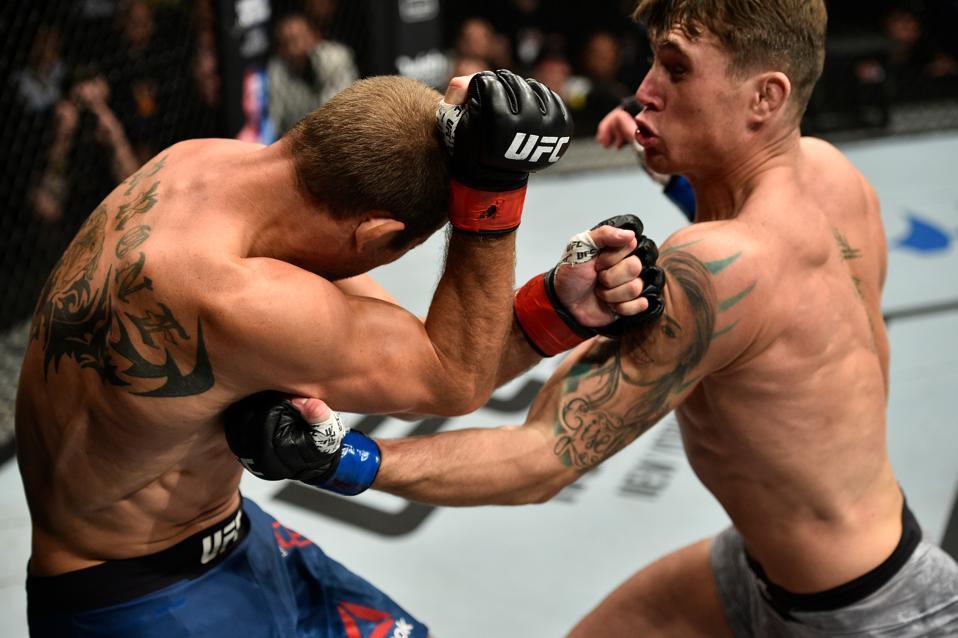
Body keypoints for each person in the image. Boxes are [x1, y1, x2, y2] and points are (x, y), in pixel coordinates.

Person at [230, 2, 958, 636]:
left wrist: (339, 458)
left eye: (677, 70)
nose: (645, 91)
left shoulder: (716, 267)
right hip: (800, 561)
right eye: (654, 62)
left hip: (866, 618)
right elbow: (772, 268)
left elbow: (544, 457)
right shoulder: (830, 175)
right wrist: (686, 169)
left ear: (765, 97)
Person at [17, 70, 661, 636]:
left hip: (225, 538)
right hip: (140, 602)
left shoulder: (202, 164)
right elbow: (450, 380)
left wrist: (557, 308)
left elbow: (421, 359)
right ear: (377, 234)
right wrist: (493, 193)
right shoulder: (234, 298)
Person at [267, 12, 359, 135]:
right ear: (280, 49)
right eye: (286, 43)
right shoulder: (276, 72)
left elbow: (340, 107)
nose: (293, 49)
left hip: (340, 131)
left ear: (314, 36)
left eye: (298, 40)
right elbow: (274, 119)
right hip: (296, 138)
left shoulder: (337, 58)